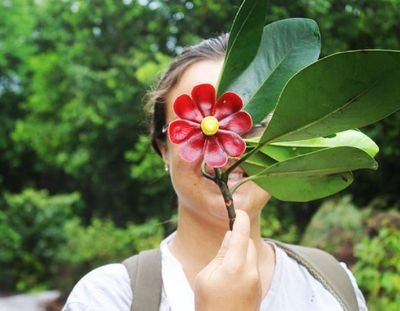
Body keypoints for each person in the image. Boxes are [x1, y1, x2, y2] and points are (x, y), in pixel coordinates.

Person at [63, 34, 368, 311]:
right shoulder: (106, 298)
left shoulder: (331, 286)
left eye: (253, 123)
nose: (224, 150)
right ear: (163, 148)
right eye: (195, 125)